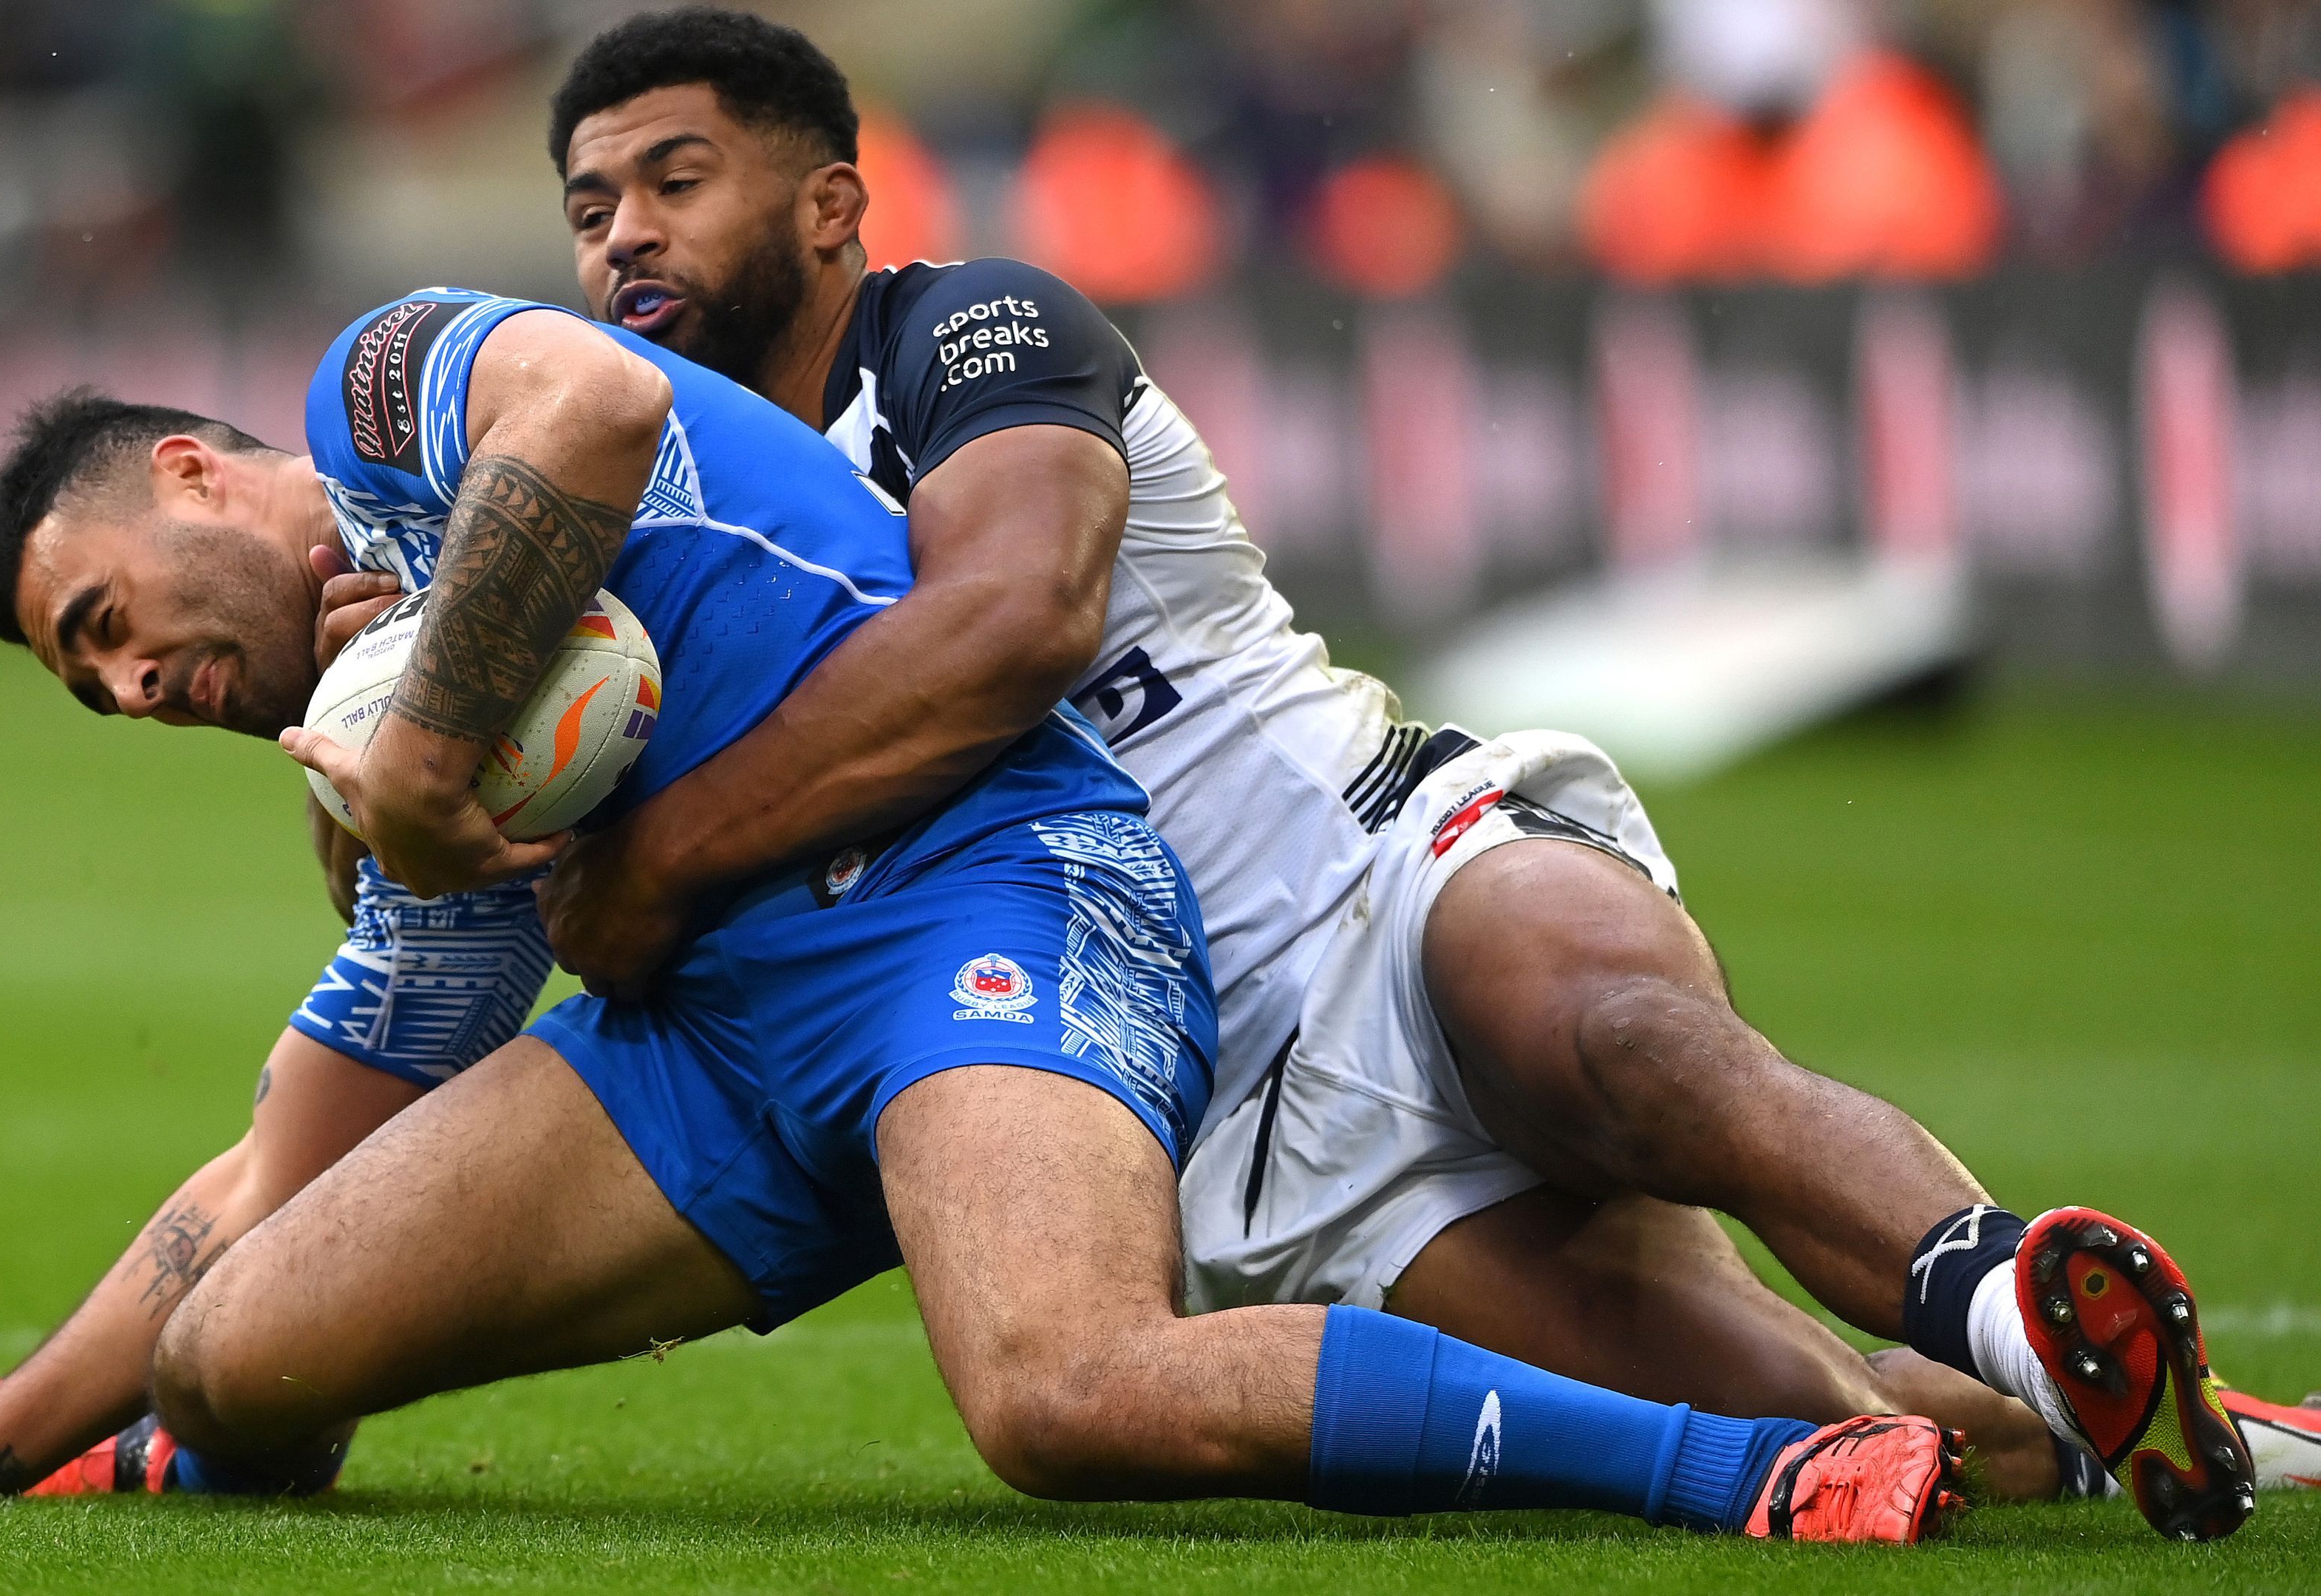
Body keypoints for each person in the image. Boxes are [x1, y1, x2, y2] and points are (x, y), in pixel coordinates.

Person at [0, 282, 1968, 1546]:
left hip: (994, 895)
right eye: (85, 682)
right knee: (243, 1347)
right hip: (716, 1049)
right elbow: (269, 1173)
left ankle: (1768, 1471)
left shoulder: (382, 398)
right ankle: (176, 1445)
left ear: (197, 474)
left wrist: (416, 751)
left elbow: (584, 406)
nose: (126, 683)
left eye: (106, 614)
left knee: (1060, 1394)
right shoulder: (398, 799)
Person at [474, 6, 2250, 1539]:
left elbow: (1012, 625)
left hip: (1381, 861)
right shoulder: (648, 527)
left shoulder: (977, 330)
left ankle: (2014, 1299)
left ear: (829, 203)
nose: (625, 235)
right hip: (1254, 1105)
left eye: (673, 182)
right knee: (1841, 1426)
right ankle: (2152, 1426)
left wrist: (666, 855)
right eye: (589, 207)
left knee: (1619, 1040)